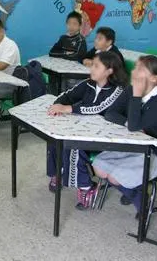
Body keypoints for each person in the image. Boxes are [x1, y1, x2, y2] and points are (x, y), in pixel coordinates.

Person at [92, 55, 157, 213]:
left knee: (114, 177)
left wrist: (136, 96)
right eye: (135, 67)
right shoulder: (132, 89)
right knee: (98, 166)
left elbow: (134, 126)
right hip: (134, 144)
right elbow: (111, 113)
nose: (134, 71)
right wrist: (128, 121)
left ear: (154, 78)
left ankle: (141, 201)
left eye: (140, 69)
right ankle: (137, 192)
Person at [46, 51, 128, 208]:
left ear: (109, 71)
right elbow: (68, 95)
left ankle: (86, 186)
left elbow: (98, 108)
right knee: (54, 135)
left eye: (97, 66)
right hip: (87, 130)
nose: (92, 68)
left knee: (73, 145)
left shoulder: (118, 90)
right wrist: (57, 105)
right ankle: (58, 172)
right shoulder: (89, 83)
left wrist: (68, 108)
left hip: (108, 137)